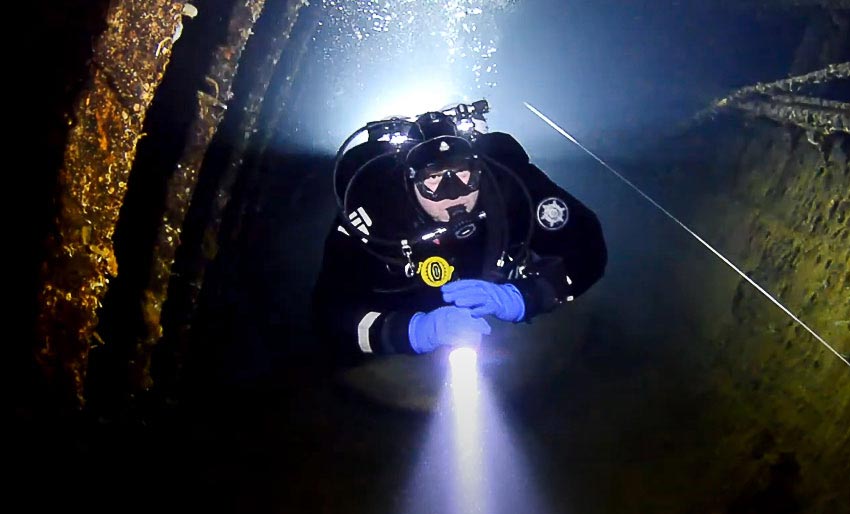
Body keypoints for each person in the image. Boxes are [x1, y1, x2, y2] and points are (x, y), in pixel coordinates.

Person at [312, 103, 607, 363]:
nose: (452, 193)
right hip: (406, 311)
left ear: (479, 170)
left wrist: (522, 298)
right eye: (433, 179)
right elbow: (328, 313)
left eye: (462, 175)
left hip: (495, 312)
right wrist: (414, 332)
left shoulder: (508, 187)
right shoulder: (376, 212)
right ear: (410, 180)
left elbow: (589, 247)